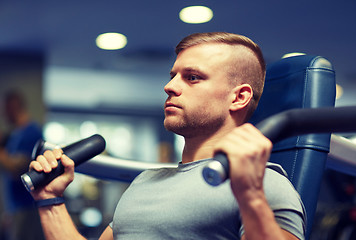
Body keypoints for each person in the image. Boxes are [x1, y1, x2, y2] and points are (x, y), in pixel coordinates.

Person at [28, 32, 306, 240]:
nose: (169, 86)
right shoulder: (146, 181)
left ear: (239, 97)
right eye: (173, 75)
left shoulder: (265, 184)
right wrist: (49, 199)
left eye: (193, 77)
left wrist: (251, 196)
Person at [0, 90, 45, 240]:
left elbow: (16, 168)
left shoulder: (31, 132)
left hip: (26, 206)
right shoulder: (15, 134)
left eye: (5, 110)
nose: (3, 114)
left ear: (13, 107)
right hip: (14, 206)